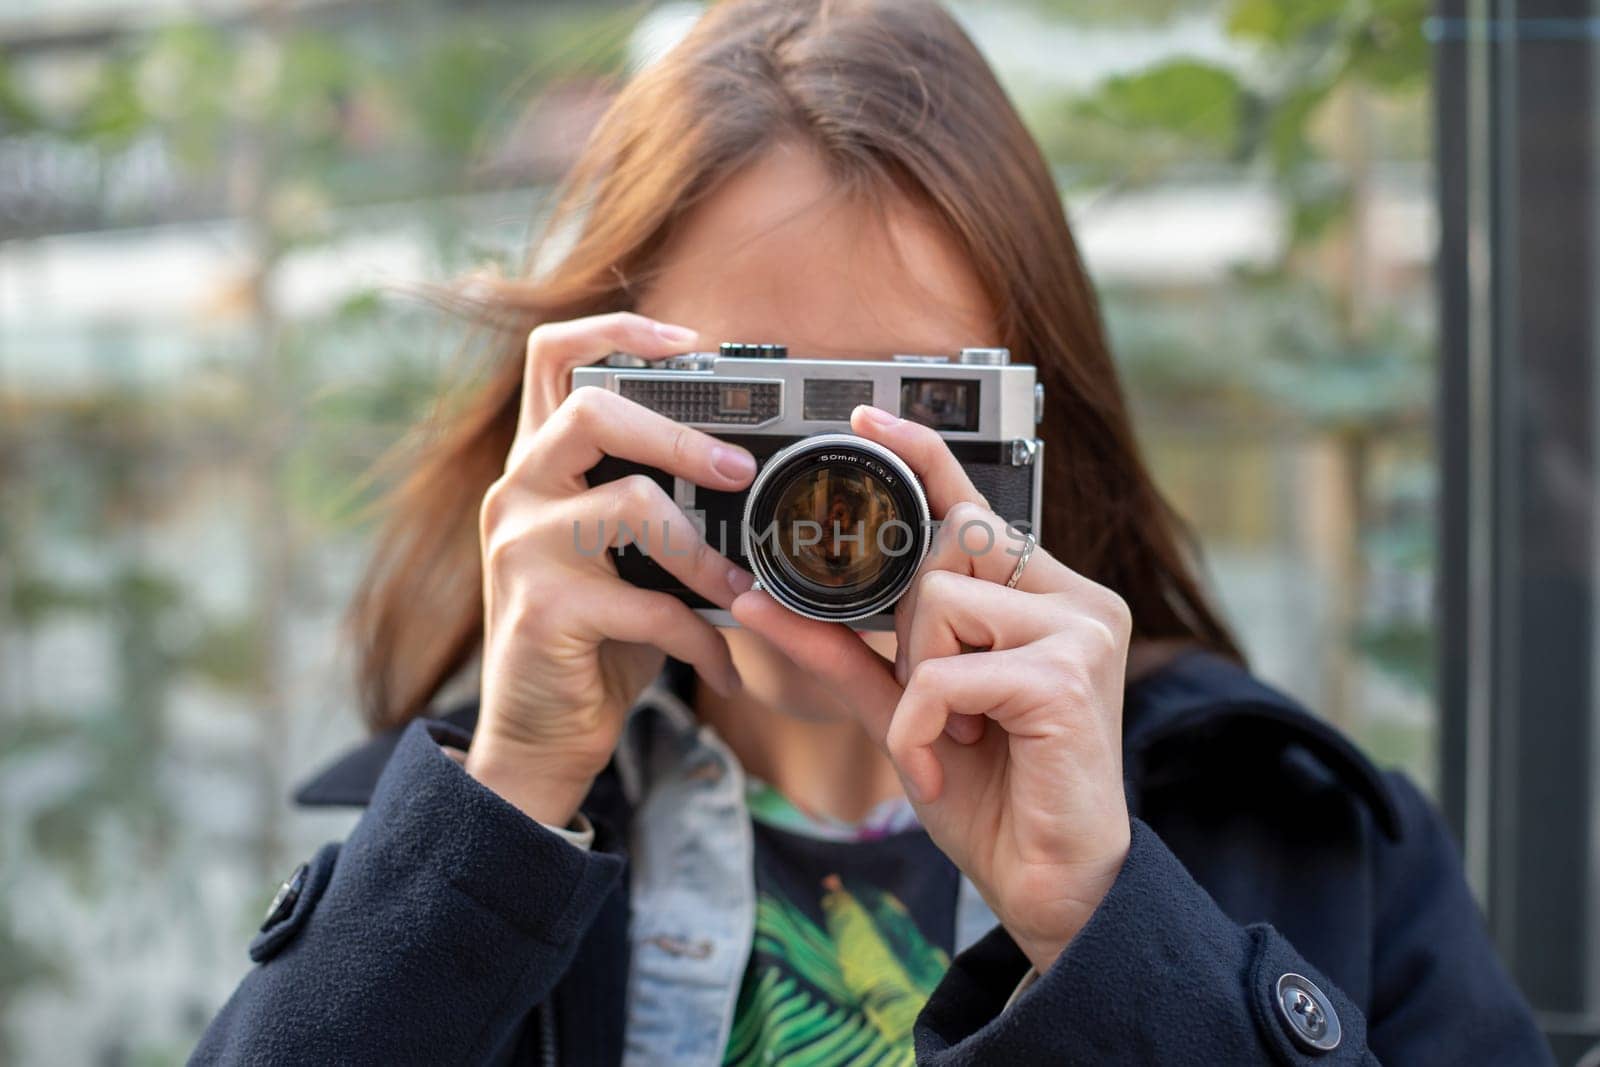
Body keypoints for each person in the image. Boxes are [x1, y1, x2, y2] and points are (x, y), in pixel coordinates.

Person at [192, 1, 1552, 1063]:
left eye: (911, 412)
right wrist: (503, 803)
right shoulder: (480, 825)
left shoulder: (1303, 839)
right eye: (754, 407)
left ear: (1030, 429)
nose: (829, 497)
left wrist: (1113, 927)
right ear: (604, 410)